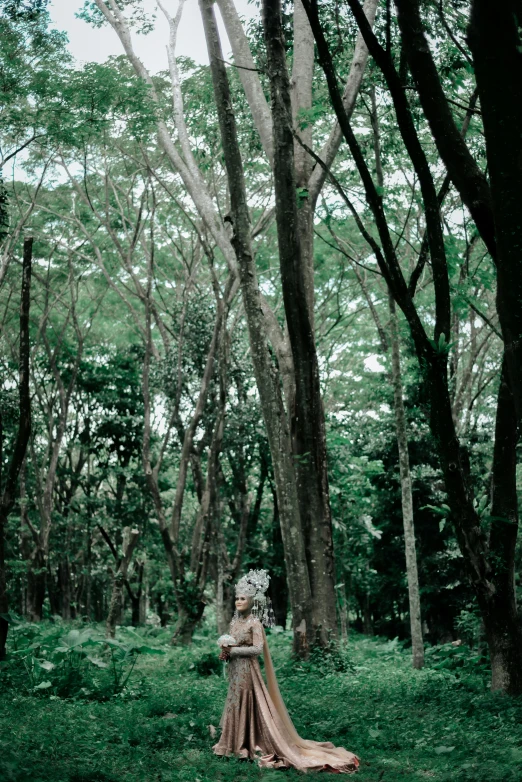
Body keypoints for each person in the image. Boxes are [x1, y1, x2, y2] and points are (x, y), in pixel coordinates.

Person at [213, 569, 359, 773]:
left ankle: (248, 745)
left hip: (248, 670)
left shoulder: (255, 623)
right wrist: (226, 651)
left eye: (243, 598)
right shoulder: (235, 621)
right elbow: (233, 643)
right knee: (234, 701)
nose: (238, 601)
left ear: (252, 601)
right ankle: (232, 743)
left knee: (247, 701)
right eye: (237, 598)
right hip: (235, 670)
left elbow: (257, 649)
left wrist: (234, 650)